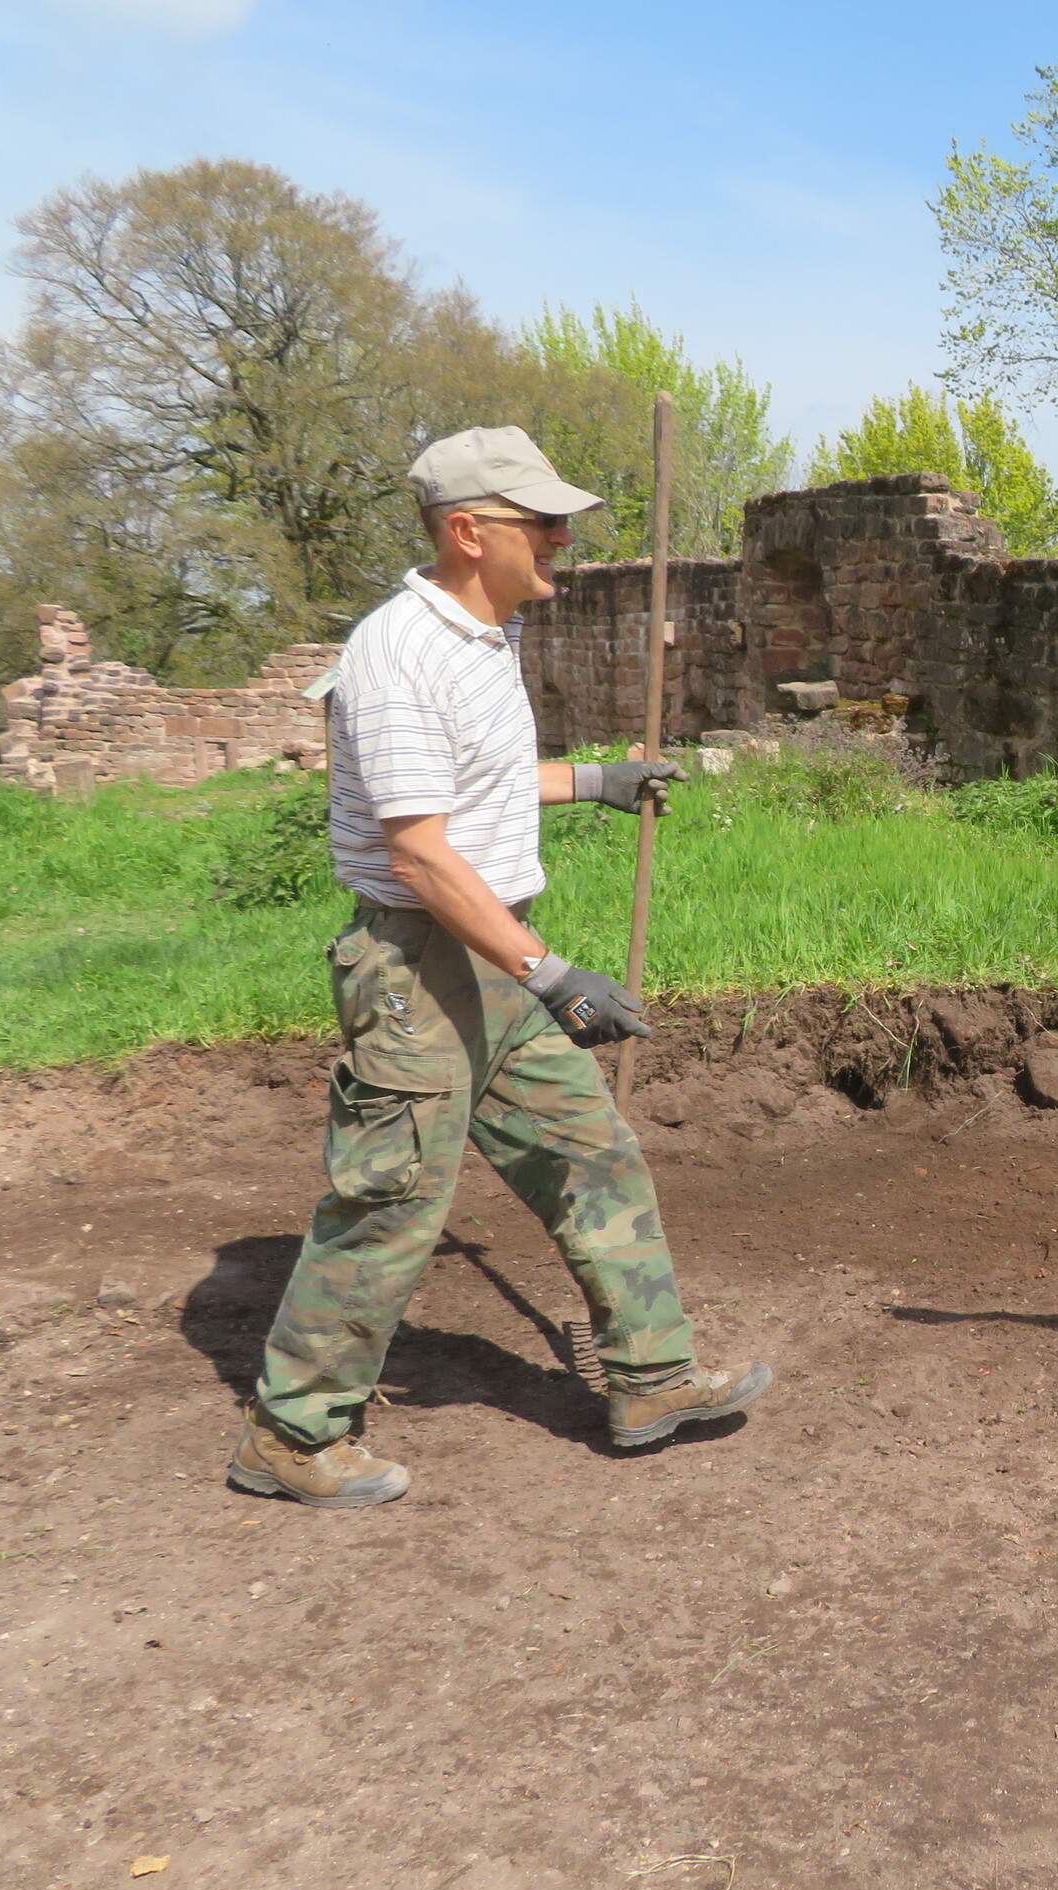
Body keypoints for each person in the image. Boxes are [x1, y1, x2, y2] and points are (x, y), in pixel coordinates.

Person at [227, 425, 773, 1509]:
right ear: (470, 532)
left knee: (591, 1157)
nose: (563, 539)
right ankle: (292, 1435)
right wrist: (552, 974)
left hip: (492, 955)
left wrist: (594, 780)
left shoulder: (484, 637)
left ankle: (653, 1378)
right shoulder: (399, 655)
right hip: (424, 968)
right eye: (543, 523)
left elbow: (474, 780)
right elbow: (419, 853)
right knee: (391, 1202)